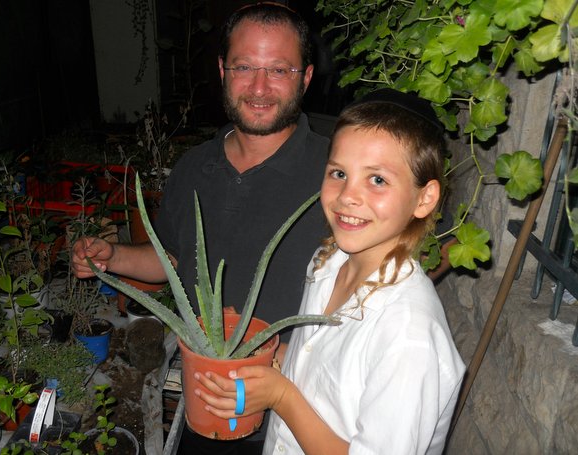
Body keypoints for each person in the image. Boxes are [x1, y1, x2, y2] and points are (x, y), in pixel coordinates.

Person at [71, 3, 328, 453]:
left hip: (301, 419)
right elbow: (172, 258)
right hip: (204, 402)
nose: (260, 87)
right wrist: (114, 258)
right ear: (223, 70)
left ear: (305, 78)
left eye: (279, 70)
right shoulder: (194, 168)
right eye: (245, 66)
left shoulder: (340, 174)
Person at [194, 89, 467, 455]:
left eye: (378, 180)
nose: (347, 196)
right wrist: (275, 353)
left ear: (424, 199)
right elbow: (321, 361)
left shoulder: (408, 333)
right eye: (339, 172)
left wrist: (280, 395)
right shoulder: (329, 260)